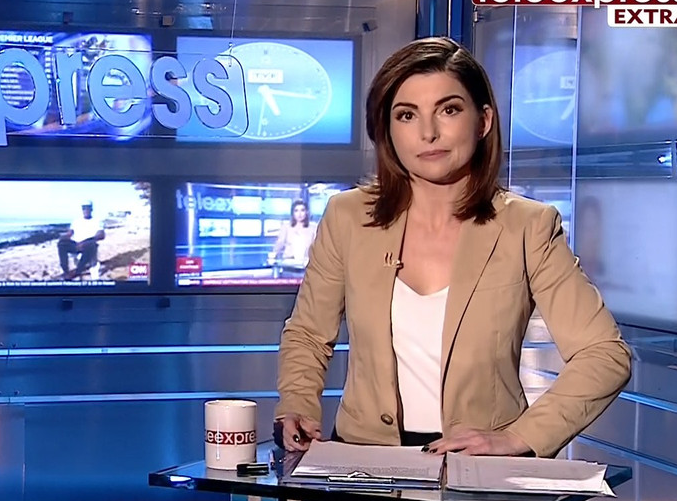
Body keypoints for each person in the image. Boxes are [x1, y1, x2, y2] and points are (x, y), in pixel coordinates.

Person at [275, 36, 630, 463]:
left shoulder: (527, 226)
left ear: (483, 121)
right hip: (366, 465)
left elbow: (603, 354)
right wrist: (298, 404)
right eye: (407, 115)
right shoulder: (348, 217)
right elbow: (309, 334)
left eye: (448, 110)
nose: (428, 133)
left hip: (481, 470)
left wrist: (520, 436)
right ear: (386, 129)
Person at [58, 200, 106, 280]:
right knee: (61, 244)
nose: (85, 210)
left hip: (88, 244)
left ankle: (78, 271)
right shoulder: (76, 221)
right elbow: (70, 233)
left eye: (87, 208)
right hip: (76, 245)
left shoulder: (97, 221)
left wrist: (86, 241)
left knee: (92, 245)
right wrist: (64, 237)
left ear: (91, 209)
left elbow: (101, 235)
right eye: (83, 208)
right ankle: (66, 271)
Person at [269, 199, 317, 267]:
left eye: (302, 210)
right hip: (289, 262)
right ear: (293, 213)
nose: (299, 214)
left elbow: (317, 246)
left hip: (306, 263)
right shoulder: (286, 227)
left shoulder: (313, 228)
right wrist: (273, 255)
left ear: (306, 212)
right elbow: (280, 243)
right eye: (296, 211)